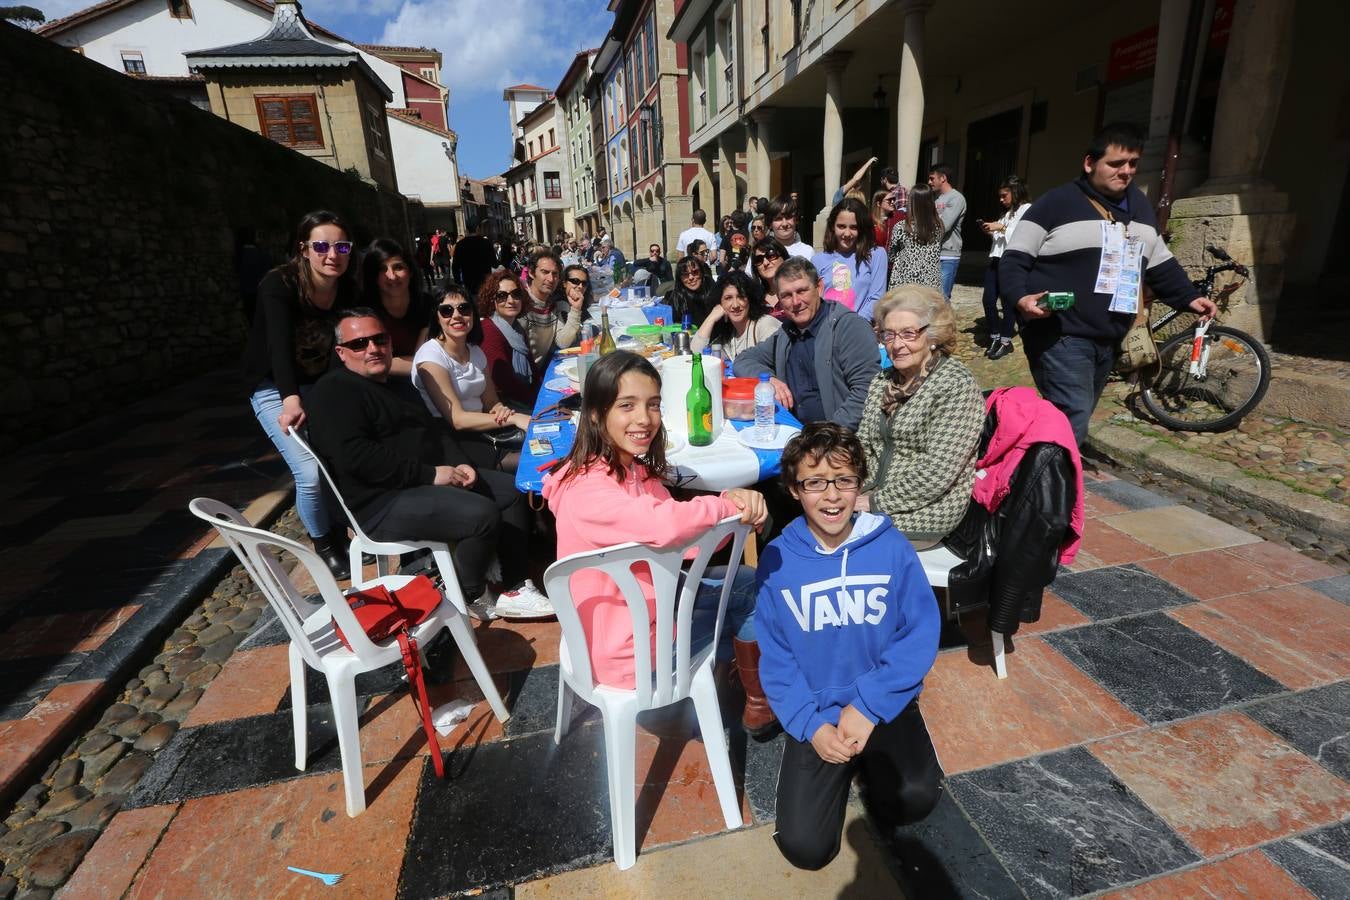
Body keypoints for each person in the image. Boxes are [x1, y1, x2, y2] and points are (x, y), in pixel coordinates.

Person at [540, 351, 776, 734]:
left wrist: (730, 521)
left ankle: (754, 692)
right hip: (632, 652)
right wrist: (723, 505)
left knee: (747, 581)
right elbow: (664, 526)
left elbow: (686, 544)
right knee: (755, 598)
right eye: (627, 406)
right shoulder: (588, 490)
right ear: (597, 414)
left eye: (652, 405)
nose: (644, 419)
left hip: (629, 617)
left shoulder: (628, 471)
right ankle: (759, 700)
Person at [755, 422, 942, 871]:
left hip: (880, 701)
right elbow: (777, 659)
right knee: (807, 849)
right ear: (794, 490)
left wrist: (871, 705)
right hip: (818, 711)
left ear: (860, 483)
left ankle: (876, 757)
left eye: (844, 480)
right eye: (815, 482)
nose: (832, 495)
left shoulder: (892, 547)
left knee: (912, 802)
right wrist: (811, 726)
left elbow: (918, 632)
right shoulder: (778, 561)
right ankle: (821, 757)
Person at [308, 309, 552, 619]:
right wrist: (431, 474)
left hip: (417, 481)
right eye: (360, 344)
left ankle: (515, 586)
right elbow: (357, 458)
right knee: (482, 514)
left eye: (379, 339)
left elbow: (433, 433)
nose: (372, 348)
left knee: (512, 490)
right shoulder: (333, 391)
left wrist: (462, 465)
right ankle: (469, 594)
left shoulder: (398, 385)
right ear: (342, 353)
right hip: (379, 502)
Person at [1000, 122, 1216, 446]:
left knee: (1074, 414)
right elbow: (1014, 259)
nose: (1126, 171)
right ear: (1090, 163)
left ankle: (1030, 466)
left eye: (1132, 164)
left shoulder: (1141, 208)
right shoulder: (1055, 203)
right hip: (1060, 333)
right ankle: (1050, 488)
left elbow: (1158, 262)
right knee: (1070, 415)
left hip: (1111, 335)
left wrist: (1189, 298)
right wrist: (1020, 299)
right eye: (1116, 163)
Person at [242, 210, 356, 579]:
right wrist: (291, 398)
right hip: (275, 386)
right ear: (303, 249)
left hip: (320, 383)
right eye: (321, 245)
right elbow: (277, 347)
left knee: (337, 459)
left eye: (341, 246)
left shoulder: (347, 287)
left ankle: (341, 529)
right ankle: (323, 543)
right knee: (308, 472)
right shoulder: (279, 285)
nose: (331, 254)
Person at [858, 286, 985, 548]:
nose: (897, 344)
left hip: (926, 509)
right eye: (889, 335)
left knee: (839, 538)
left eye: (909, 333)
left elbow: (937, 473)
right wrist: (843, 481)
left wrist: (872, 502)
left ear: (932, 335)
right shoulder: (883, 381)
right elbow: (863, 443)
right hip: (872, 491)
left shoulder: (954, 385)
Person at [733, 256, 880, 431]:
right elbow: (743, 360)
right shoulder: (787, 333)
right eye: (786, 295)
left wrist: (826, 437)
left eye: (802, 291)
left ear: (819, 288)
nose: (796, 302)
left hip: (838, 440)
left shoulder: (848, 327)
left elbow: (867, 391)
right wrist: (769, 379)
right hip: (795, 432)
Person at [412, 282, 532, 472]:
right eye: (446, 311)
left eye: (464, 308)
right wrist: (514, 419)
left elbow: (491, 401)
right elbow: (457, 419)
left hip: (484, 426)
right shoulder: (431, 356)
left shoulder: (475, 350)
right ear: (437, 317)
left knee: (545, 441)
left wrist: (500, 409)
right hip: (454, 438)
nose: (457, 315)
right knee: (533, 462)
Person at [980, 175, 1033, 361]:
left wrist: (1001, 228)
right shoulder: (1008, 213)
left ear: (1015, 192)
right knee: (988, 299)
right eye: (1000, 196)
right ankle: (995, 335)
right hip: (995, 260)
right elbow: (1001, 239)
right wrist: (992, 231)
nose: (1001, 199)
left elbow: (1022, 236)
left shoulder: (1027, 210)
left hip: (1011, 261)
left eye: (1004, 195)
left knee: (1008, 303)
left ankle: (1005, 340)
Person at [361, 238, 429, 380]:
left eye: (398, 267)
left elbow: (425, 359)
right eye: (382, 269)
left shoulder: (428, 304)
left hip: (425, 383)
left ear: (410, 271)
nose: (391, 276)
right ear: (373, 276)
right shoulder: (364, 312)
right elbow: (363, 363)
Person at [812, 197, 888, 321]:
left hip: (860, 330)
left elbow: (877, 298)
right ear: (832, 227)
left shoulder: (877, 255)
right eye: (841, 226)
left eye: (853, 227)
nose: (847, 233)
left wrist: (853, 327)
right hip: (826, 330)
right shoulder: (817, 260)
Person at [477, 270, 540, 405]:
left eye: (516, 294)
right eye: (502, 296)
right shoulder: (488, 330)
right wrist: (536, 401)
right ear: (491, 300)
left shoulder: (517, 328)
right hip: (506, 406)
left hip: (524, 396)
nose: (511, 301)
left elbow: (533, 369)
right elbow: (503, 383)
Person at [690, 269, 783, 360]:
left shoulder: (765, 324)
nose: (735, 305)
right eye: (728, 298)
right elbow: (696, 355)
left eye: (741, 297)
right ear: (720, 302)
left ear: (750, 299)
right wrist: (711, 318)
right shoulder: (729, 336)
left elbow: (771, 364)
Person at [523, 250, 586, 365]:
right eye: (545, 272)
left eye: (555, 274)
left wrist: (576, 309)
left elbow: (563, 341)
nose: (551, 279)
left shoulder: (551, 305)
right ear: (532, 273)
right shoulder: (520, 304)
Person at [887, 183, 943, 292]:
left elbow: (891, 255)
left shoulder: (902, 227)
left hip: (905, 284)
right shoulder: (939, 226)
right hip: (930, 284)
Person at [927, 164, 967, 299]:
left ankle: (945, 321)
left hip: (948, 254)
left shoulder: (956, 198)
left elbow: (944, 226)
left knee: (942, 298)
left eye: (932, 178)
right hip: (933, 252)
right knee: (931, 297)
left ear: (943, 178)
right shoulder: (935, 199)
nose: (929, 182)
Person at [667, 254, 717, 325]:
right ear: (680, 278)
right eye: (685, 274)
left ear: (701, 272)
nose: (691, 277)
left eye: (695, 272)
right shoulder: (677, 296)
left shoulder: (711, 286)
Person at [452, 220, 498, 296]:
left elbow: (455, 266)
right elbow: (494, 264)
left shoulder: (460, 244)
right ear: (478, 228)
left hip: (469, 283)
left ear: (466, 230)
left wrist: (458, 283)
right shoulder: (486, 243)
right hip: (485, 282)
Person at [750, 236, 791, 319]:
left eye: (771, 255)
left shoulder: (797, 292)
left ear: (783, 257)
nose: (765, 263)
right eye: (759, 259)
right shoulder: (754, 300)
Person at [766, 195, 815, 259]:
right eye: (778, 219)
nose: (784, 224)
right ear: (770, 224)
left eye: (788, 217)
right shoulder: (761, 251)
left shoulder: (808, 251)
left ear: (796, 220)